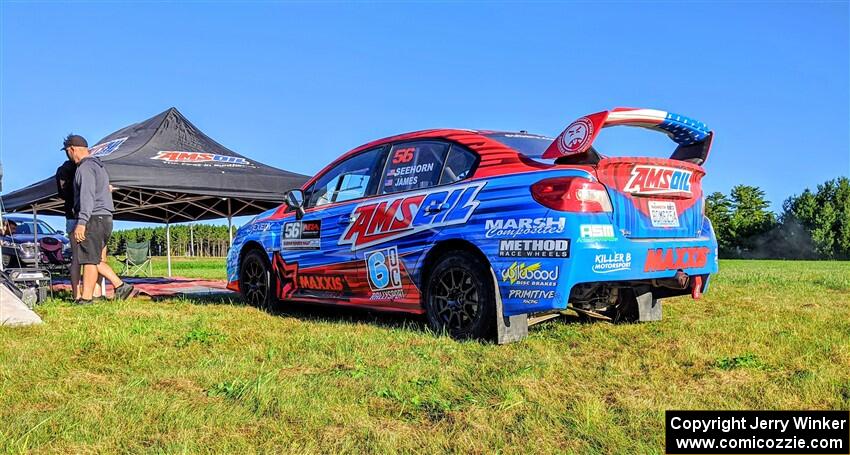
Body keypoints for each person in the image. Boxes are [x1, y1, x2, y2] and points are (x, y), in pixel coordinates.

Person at [63, 134, 133, 304]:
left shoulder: (85, 168)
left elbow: (87, 196)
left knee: (88, 258)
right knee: (92, 258)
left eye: (67, 152)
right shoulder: (99, 167)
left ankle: (87, 298)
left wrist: (81, 222)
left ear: (72, 149)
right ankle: (119, 286)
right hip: (106, 217)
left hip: (94, 216)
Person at [56, 157, 102, 300]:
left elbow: (62, 194)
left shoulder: (62, 171)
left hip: (70, 215)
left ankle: (77, 295)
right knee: (94, 256)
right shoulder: (84, 168)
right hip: (85, 216)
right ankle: (96, 292)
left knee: (76, 258)